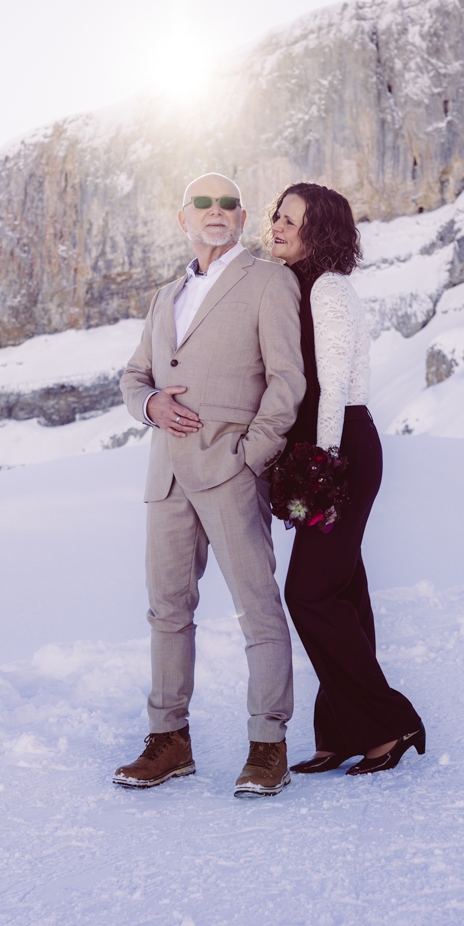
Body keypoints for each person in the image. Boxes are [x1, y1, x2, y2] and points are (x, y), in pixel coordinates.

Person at [114, 173, 306, 798]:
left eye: (228, 203)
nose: (216, 212)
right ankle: (168, 741)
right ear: (183, 218)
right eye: (204, 203)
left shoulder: (269, 281)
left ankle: (267, 744)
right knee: (167, 610)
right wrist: (150, 407)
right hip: (166, 474)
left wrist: (250, 458)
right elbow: (134, 375)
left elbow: (287, 382)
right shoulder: (164, 295)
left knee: (257, 607)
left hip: (231, 470)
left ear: (243, 216)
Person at [265, 182, 426, 777]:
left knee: (307, 593)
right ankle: (341, 731)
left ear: (321, 230)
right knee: (343, 593)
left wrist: (321, 468)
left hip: (342, 448)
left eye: (291, 219)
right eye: (276, 215)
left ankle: (389, 722)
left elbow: (332, 388)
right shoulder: (296, 284)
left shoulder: (328, 290)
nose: (277, 226)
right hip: (324, 445)